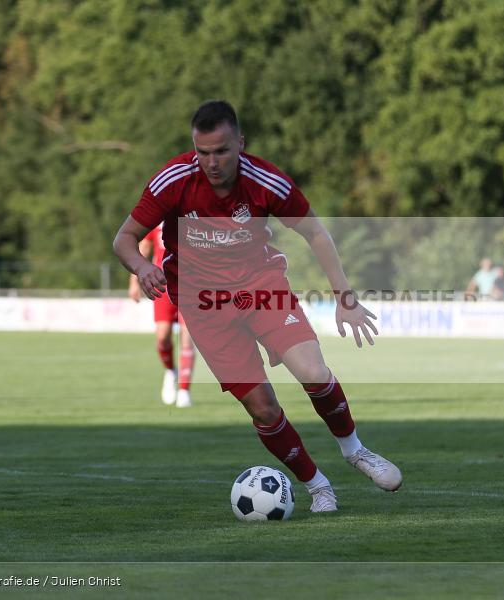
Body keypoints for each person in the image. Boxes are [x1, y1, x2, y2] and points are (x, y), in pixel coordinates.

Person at [113, 100, 402, 513]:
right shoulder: (173, 180)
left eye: (222, 151)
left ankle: (355, 450)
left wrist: (345, 298)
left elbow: (316, 233)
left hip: (260, 286)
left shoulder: (267, 181)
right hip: (203, 305)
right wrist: (142, 267)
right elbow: (124, 238)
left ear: (241, 144)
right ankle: (318, 487)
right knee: (263, 408)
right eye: (203, 152)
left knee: (313, 370)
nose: (212, 162)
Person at [128, 223, 196, 408]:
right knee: (162, 337)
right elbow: (143, 249)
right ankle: (170, 371)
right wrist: (134, 281)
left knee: (187, 338)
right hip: (163, 284)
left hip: (191, 285)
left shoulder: (195, 217)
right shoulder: (157, 219)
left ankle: (184, 391)